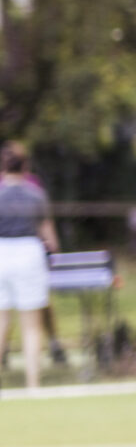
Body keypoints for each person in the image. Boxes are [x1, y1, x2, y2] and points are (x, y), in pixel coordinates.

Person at [0, 140, 60, 389]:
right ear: (25, 166)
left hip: (2, 253)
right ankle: (33, 383)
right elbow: (51, 239)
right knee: (31, 325)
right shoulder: (36, 194)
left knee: (2, 321)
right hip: (28, 254)